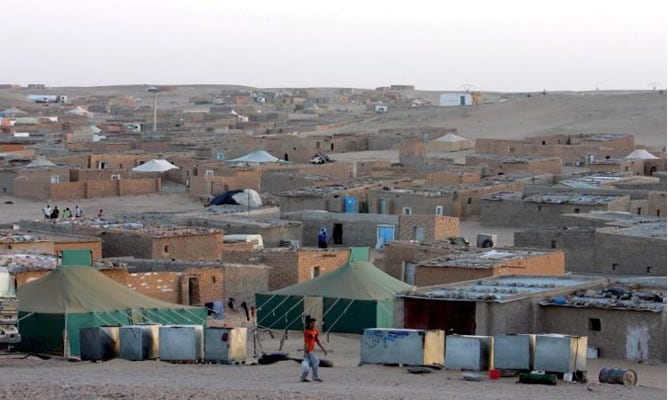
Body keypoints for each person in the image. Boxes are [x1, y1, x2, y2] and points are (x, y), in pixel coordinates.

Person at [300, 317, 327, 383]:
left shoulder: (315, 331)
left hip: (311, 351)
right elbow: (306, 342)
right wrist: (305, 352)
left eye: (314, 323)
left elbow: (317, 341)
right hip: (308, 351)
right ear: (309, 323)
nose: (313, 324)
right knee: (315, 362)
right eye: (312, 323)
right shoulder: (307, 332)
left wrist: (323, 349)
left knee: (311, 364)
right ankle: (314, 377)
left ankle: (304, 378)